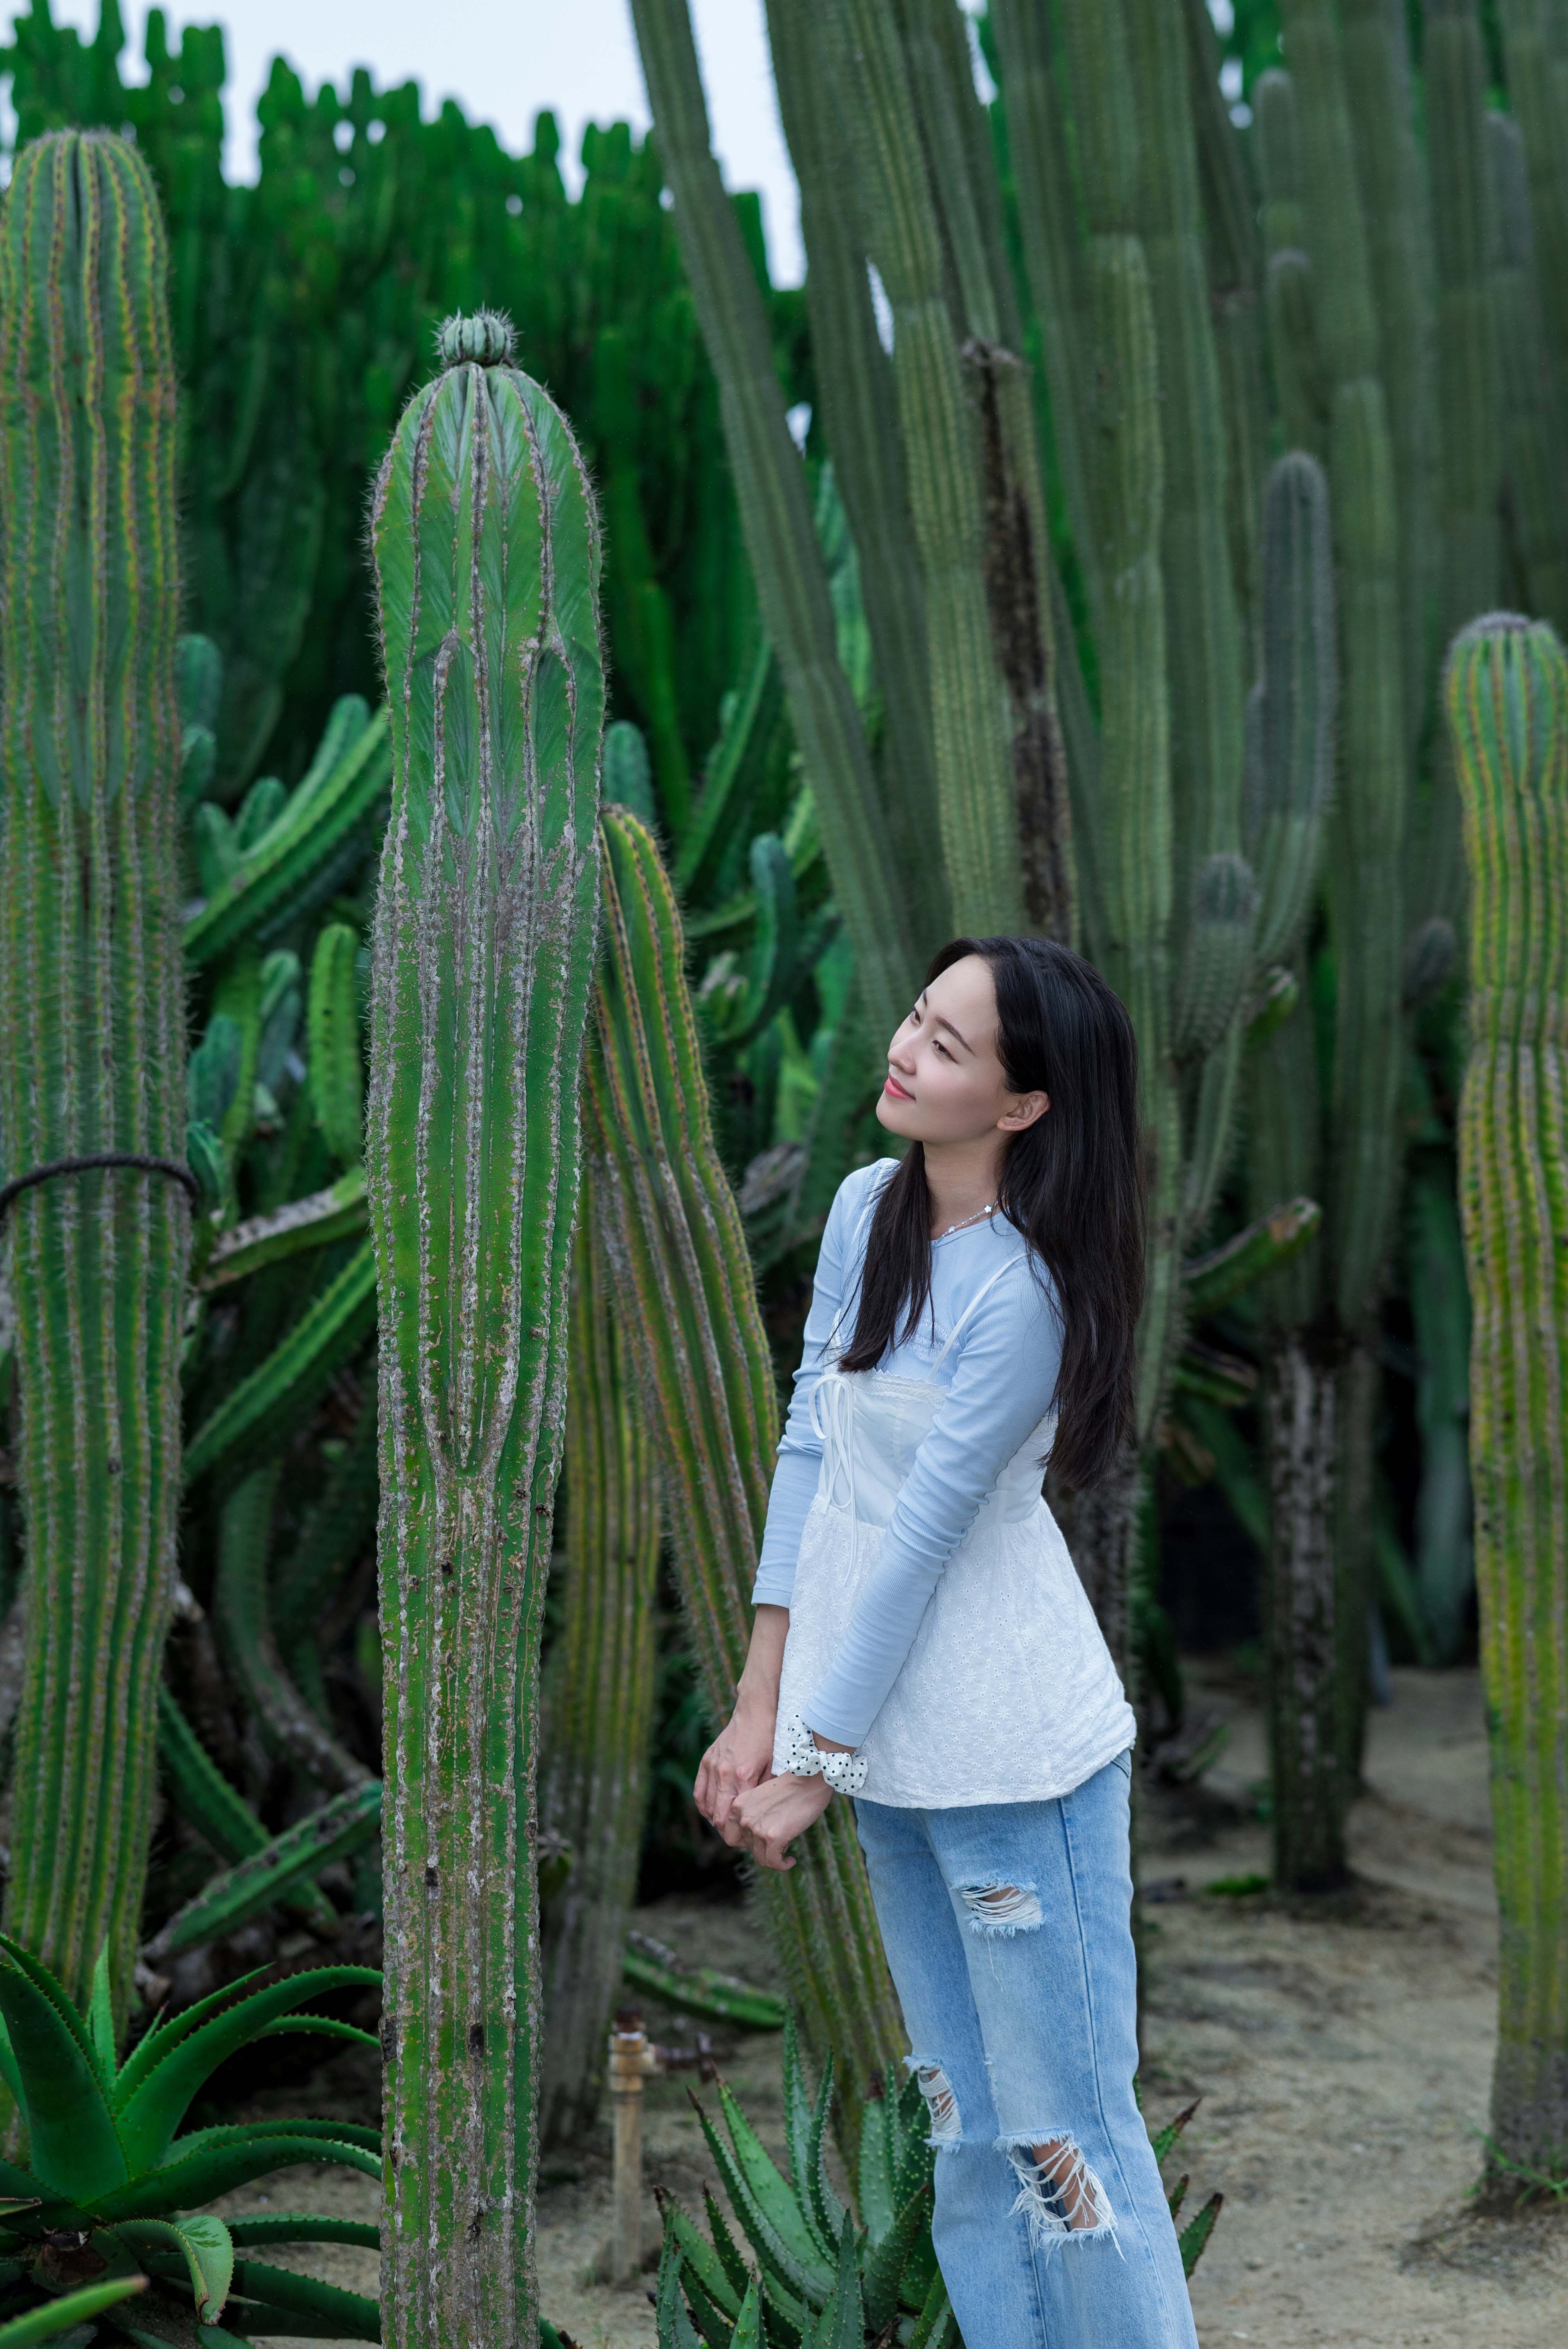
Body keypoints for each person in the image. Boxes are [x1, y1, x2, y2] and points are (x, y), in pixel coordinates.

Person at [695, 935, 1199, 2348]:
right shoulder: (868, 1206)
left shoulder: (1023, 1292)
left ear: (1023, 1105)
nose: (906, 1050)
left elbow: (921, 1536)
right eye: (919, 1016)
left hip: (1014, 1760)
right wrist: (761, 1706)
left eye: (950, 1044)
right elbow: (811, 1450)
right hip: (896, 1759)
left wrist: (815, 1763)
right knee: (966, 2129)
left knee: (1066, 2141)